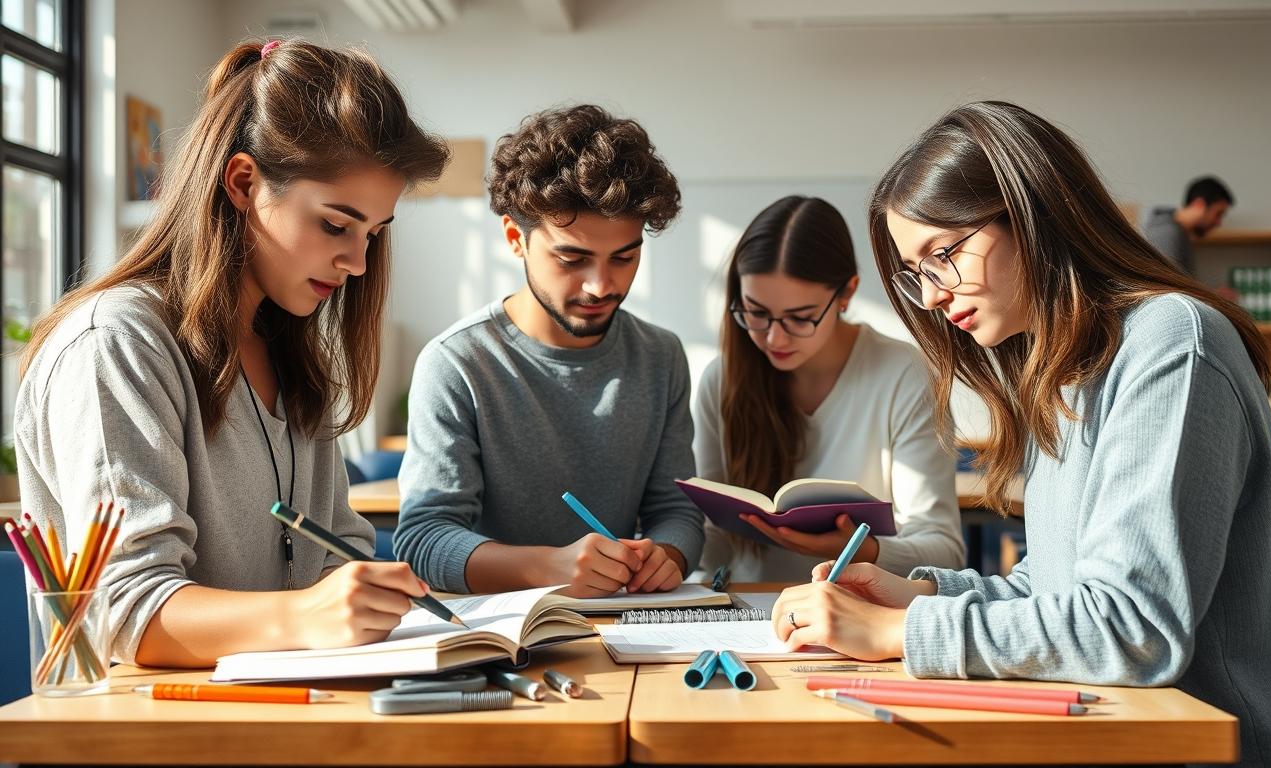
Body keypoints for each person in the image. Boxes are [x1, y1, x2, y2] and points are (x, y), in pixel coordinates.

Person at [772, 101, 1271, 768]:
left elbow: (1131, 629)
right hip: (1105, 733)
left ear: (1031, 210)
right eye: (918, 276)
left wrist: (901, 630)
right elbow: (1059, 589)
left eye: (944, 254)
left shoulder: (1173, 344)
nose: (935, 296)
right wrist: (919, 594)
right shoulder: (1060, 371)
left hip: (1203, 750)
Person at [15, 40, 450, 667]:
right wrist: (310, 612)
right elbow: (127, 612)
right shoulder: (115, 343)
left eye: (371, 235)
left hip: (290, 717)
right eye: (335, 224)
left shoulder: (294, 358)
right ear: (244, 182)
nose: (357, 263)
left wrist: (366, 596)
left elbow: (336, 557)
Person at [396, 105, 704, 597]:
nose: (602, 285)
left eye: (624, 257)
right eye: (572, 258)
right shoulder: (457, 363)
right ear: (516, 239)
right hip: (500, 639)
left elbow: (676, 510)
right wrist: (548, 567)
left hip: (624, 627)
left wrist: (666, 555)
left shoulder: (660, 357)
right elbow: (424, 540)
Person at [693, 195, 962, 582]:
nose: (773, 337)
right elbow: (712, 538)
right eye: (755, 312)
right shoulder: (721, 380)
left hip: (857, 614)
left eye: (800, 318)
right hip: (747, 612)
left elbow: (944, 553)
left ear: (847, 293)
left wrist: (859, 550)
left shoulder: (905, 374)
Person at [1140, 176, 1235, 274]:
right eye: (1218, 214)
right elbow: (1171, 286)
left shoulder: (1179, 232)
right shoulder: (1168, 233)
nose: (1218, 223)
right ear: (1199, 204)